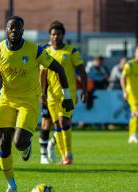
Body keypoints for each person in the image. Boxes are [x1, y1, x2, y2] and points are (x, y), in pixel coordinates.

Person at [0, 16, 74, 192]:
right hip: (6, 100)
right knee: (3, 142)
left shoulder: (35, 50)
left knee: (18, 142)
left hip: (28, 101)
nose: (14, 31)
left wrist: (67, 95)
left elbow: (58, 68)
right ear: (5, 29)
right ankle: (11, 184)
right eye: (11, 28)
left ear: (22, 31)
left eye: (17, 28)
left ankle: (26, 146)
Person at [40, 21, 87, 165]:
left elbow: (82, 71)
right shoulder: (45, 52)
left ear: (63, 35)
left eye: (58, 34)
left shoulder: (71, 51)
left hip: (68, 94)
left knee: (64, 121)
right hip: (51, 95)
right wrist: (42, 93)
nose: (55, 37)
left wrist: (84, 89)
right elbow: (42, 74)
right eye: (53, 34)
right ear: (50, 35)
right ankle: (64, 157)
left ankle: (69, 154)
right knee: (57, 125)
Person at [120, 47, 138, 144]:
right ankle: (133, 135)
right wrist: (124, 91)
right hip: (131, 92)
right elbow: (122, 77)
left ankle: (132, 135)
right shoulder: (130, 64)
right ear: (135, 53)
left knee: (135, 114)